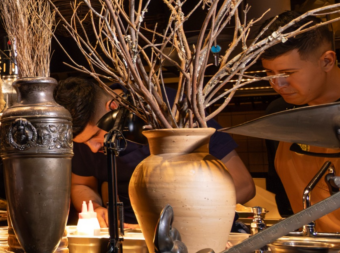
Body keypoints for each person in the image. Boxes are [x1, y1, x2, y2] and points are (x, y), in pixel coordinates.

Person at [55, 76, 256, 227]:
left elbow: (244, 185)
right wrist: (95, 210)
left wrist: (188, 215)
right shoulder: (84, 126)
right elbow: (82, 184)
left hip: (199, 230)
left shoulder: (171, 108)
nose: (93, 148)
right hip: (131, 235)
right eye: (82, 143)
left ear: (114, 107)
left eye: (94, 137)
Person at [261, 15, 340, 231]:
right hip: (312, 251)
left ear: (327, 61)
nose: (278, 84)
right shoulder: (280, 114)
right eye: (270, 73)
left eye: (288, 73)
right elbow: (284, 199)